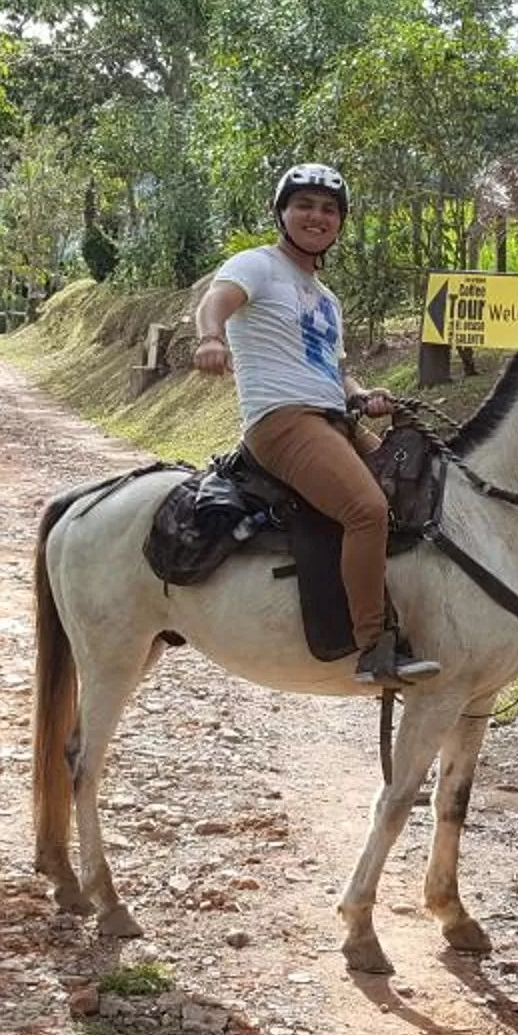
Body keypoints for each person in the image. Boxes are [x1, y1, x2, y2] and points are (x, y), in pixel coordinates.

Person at [192, 162, 440, 690]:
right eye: (303, 204)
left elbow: (333, 368)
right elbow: (215, 301)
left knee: (420, 488)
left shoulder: (327, 299)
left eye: (329, 209)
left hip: (333, 420)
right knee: (367, 510)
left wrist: (363, 396)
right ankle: (374, 645)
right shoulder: (256, 266)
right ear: (281, 213)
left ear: (339, 223)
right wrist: (211, 337)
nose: (316, 216)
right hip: (281, 420)